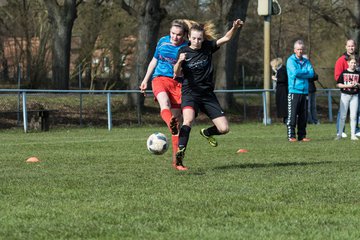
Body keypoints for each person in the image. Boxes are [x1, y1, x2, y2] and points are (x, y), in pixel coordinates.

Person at [173, 19, 244, 169]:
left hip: (207, 95)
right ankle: (180, 154)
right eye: (194, 38)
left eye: (199, 38)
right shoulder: (183, 52)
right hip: (190, 93)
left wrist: (234, 28)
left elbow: (226, 38)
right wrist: (179, 62)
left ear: (203, 38)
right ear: (189, 38)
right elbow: (176, 73)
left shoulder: (207, 47)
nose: (197, 41)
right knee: (188, 120)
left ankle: (206, 132)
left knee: (224, 129)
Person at [139, 19, 189, 171]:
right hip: (159, 79)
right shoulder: (162, 42)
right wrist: (145, 79)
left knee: (178, 126)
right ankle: (171, 124)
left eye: (178, 35)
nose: (174, 37)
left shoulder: (186, 48)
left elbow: (184, 71)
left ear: (184, 35)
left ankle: (177, 162)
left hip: (177, 83)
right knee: (164, 104)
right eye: (172, 33)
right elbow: (154, 61)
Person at [286, 40, 314, 142]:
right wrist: (305, 72)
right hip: (294, 91)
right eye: (298, 49)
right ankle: (291, 136)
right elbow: (295, 73)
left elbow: (312, 73)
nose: (300, 51)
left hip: (304, 91)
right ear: (294, 50)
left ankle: (302, 136)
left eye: (301, 49)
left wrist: (303, 72)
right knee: (292, 115)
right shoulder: (290, 61)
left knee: (303, 115)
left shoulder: (306, 61)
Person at [334, 39, 358, 138]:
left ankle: (355, 131)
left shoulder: (358, 59)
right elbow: (337, 78)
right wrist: (348, 84)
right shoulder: (341, 60)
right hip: (345, 92)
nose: (351, 48)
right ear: (345, 47)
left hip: (356, 92)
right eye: (349, 46)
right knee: (342, 113)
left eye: (352, 46)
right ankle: (340, 131)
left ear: (355, 47)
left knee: (355, 113)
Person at [270, 57, 288, 124]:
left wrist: (275, 79)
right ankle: (285, 119)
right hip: (281, 90)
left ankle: (286, 120)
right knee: (282, 106)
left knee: (284, 106)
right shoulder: (281, 70)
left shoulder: (282, 70)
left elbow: (283, 79)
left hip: (283, 91)